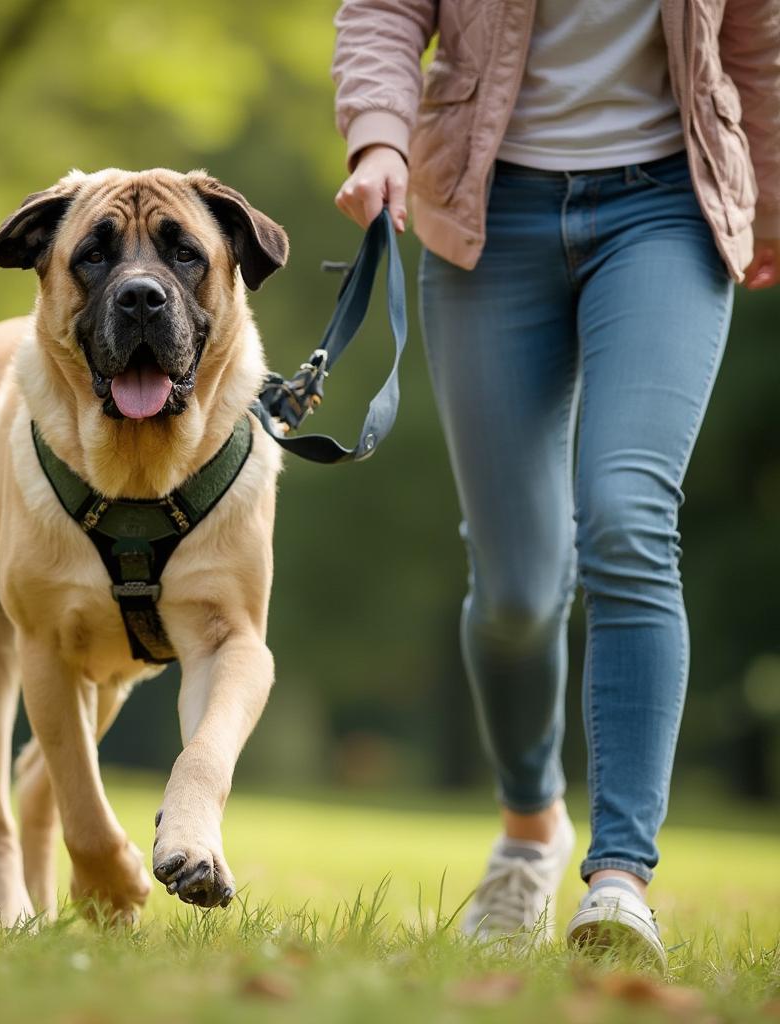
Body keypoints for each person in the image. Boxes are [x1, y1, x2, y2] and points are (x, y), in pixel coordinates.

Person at [332, 0, 779, 967]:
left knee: (627, 516)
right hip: (488, 212)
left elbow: (757, 38)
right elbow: (383, 11)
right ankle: (530, 834)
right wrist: (380, 141)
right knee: (519, 589)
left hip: (669, 205)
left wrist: (771, 205)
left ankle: (620, 880)